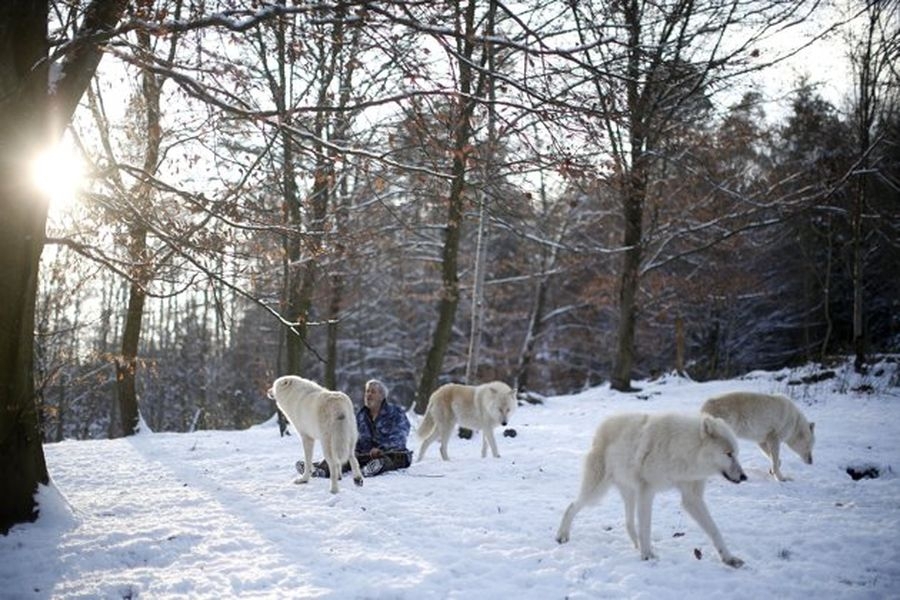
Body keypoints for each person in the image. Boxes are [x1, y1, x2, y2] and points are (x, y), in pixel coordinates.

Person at [296, 379, 412, 478]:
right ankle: (320, 469)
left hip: (392, 453)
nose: (368, 395)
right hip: (365, 455)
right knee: (344, 456)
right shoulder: (360, 416)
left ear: (382, 396)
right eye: (367, 392)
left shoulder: (395, 413)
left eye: (373, 392)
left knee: (388, 460)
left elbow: (400, 436)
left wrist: (381, 449)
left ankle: (373, 467)